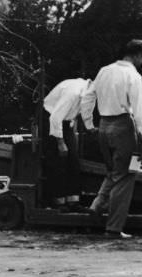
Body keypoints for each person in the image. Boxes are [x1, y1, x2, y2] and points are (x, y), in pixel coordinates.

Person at [80, 39, 142, 239]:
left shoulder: (104, 71)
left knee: (113, 171)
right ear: (137, 56)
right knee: (126, 175)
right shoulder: (133, 75)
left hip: (104, 126)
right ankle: (114, 228)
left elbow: (88, 96)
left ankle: (97, 205)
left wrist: (89, 123)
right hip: (124, 126)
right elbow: (139, 112)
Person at [42, 77, 92, 209]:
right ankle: (58, 202)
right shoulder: (74, 92)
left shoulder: (87, 94)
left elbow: (75, 115)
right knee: (58, 162)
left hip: (66, 123)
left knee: (73, 161)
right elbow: (55, 118)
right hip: (52, 119)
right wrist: (60, 142)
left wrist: (72, 136)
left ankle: (73, 201)